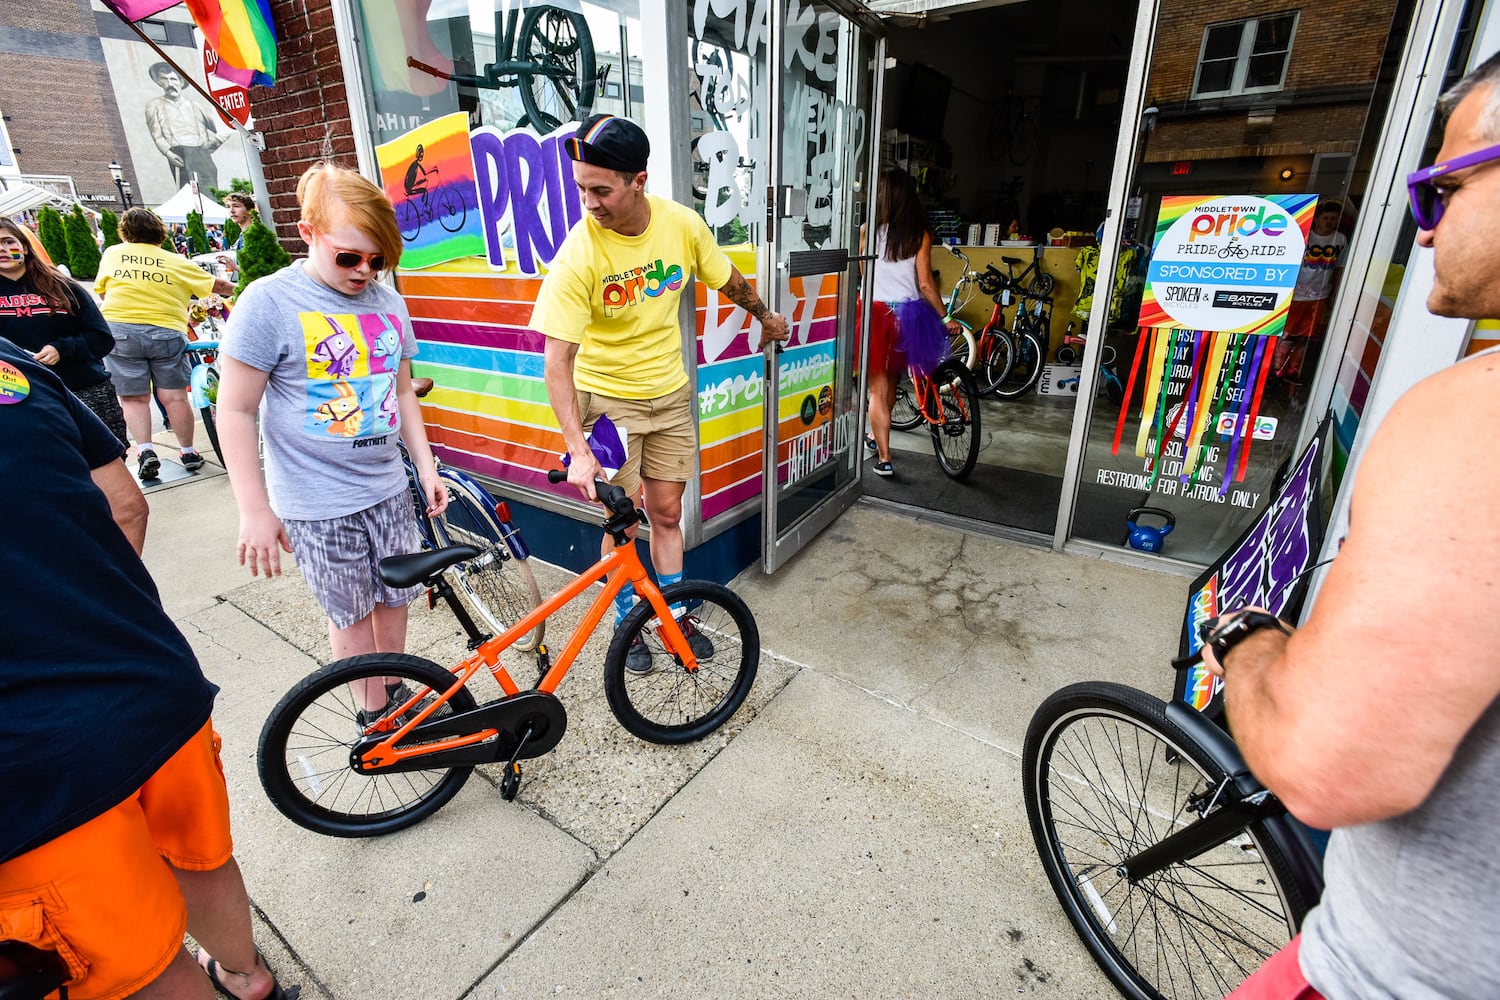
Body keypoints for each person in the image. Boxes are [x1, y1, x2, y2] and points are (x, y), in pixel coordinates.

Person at [1208, 54, 1500, 1000]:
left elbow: (1319, 761)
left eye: (1444, 190)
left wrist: (1247, 639)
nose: (1425, 229)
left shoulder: (1474, 419)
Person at [0, 337, 292, 1000]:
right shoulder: (12, 364)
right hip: (147, 677)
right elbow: (128, 504)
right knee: (202, 854)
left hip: (29, 763)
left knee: (137, 965)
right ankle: (249, 978)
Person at [529, 114, 788, 673]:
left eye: (601, 189)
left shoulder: (680, 225)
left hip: (669, 396)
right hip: (608, 405)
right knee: (623, 522)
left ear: (638, 181)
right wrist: (577, 450)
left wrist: (765, 316)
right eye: (581, 188)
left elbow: (727, 279)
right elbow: (557, 363)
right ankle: (630, 616)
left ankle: (673, 613)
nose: (589, 202)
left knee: (667, 513)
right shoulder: (580, 254)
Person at [217, 162, 447, 719]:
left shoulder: (387, 301)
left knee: (396, 599)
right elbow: (235, 407)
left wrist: (427, 465)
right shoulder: (269, 302)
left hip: (388, 486)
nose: (364, 271)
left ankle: (395, 688)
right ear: (308, 232)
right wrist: (254, 508)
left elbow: (402, 392)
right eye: (349, 256)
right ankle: (373, 711)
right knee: (349, 611)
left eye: (377, 260)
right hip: (318, 502)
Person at [95, 207, 235, 480]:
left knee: (134, 398)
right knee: (174, 397)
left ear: (125, 233)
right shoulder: (174, 260)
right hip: (165, 331)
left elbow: (102, 289)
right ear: (160, 233)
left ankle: (146, 450)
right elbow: (217, 286)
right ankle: (189, 452)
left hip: (120, 328)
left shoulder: (113, 253)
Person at [859, 167, 958, 477]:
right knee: (891, 381)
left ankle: (884, 457)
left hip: (875, 314)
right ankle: (880, 440)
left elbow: (863, 274)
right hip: (909, 317)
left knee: (877, 389)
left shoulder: (866, 231)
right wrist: (947, 317)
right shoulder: (919, 235)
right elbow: (926, 284)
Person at [0, 215, 128, 445]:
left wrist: (62, 348)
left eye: (8, 241)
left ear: (25, 247)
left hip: (86, 389)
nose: (3, 249)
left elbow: (101, 338)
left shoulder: (63, 286)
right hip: (24, 399)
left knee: (108, 460)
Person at [1272, 200, 1348, 383]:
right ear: (1316, 220)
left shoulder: (1340, 239)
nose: (1329, 222)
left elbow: (1340, 267)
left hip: (1320, 294)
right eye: (1325, 218)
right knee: (1287, 334)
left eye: (1333, 218)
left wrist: (1335, 291)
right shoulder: (1306, 237)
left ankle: (1293, 369)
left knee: (1306, 336)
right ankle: (1276, 369)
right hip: (1297, 294)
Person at [145, 62, 225, 191]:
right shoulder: (154, 105)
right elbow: (157, 135)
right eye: (164, 79)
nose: (169, 84)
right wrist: (168, 153)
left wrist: (217, 141)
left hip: (200, 152)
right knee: (188, 192)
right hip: (179, 154)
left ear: (181, 82)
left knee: (210, 192)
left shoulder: (195, 106)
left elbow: (223, 126)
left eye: (173, 79)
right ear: (159, 82)